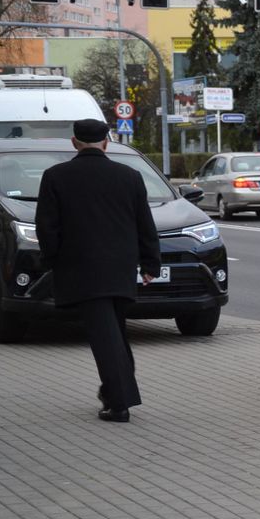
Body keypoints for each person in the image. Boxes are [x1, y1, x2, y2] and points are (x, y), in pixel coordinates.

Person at [34, 119, 161, 423]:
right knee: (114, 332)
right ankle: (115, 392)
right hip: (121, 268)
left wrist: (51, 260)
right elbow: (145, 224)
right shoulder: (129, 176)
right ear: (106, 142)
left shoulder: (55, 177)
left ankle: (119, 404)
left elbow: (46, 227)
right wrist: (150, 264)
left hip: (81, 269)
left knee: (105, 337)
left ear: (74, 142)